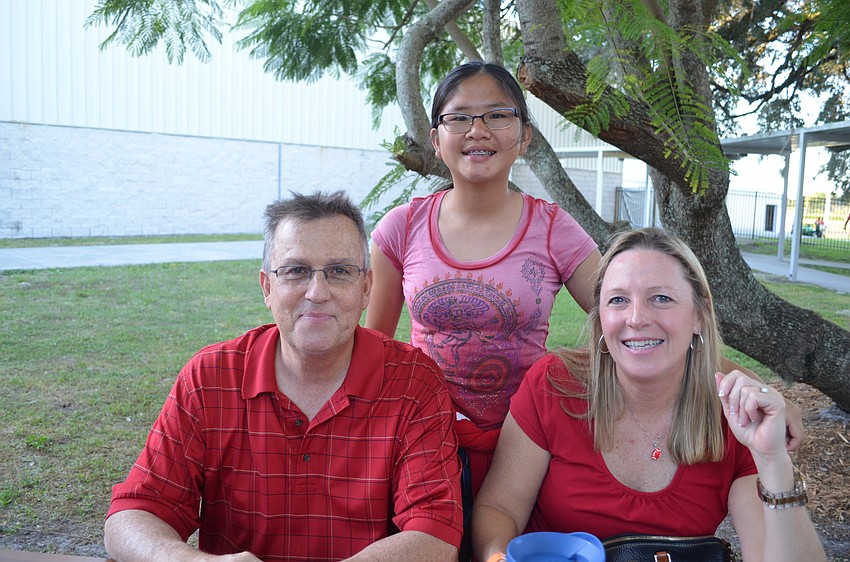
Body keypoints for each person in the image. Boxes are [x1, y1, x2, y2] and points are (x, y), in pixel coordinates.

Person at [104, 191, 463, 562]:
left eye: (339, 271)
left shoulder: (413, 382)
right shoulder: (210, 378)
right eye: (296, 271)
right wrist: (189, 561)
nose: (317, 292)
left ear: (366, 288)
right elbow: (133, 513)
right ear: (267, 287)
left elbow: (435, 532)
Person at [472, 228, 825, 562]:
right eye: (618, 300)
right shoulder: (554, 386)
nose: (637, 318)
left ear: (699, 316)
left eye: (661, 298)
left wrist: (773, 459)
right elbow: (500, 508)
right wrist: (498, 556)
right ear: (600, 319)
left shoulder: (733, 414)